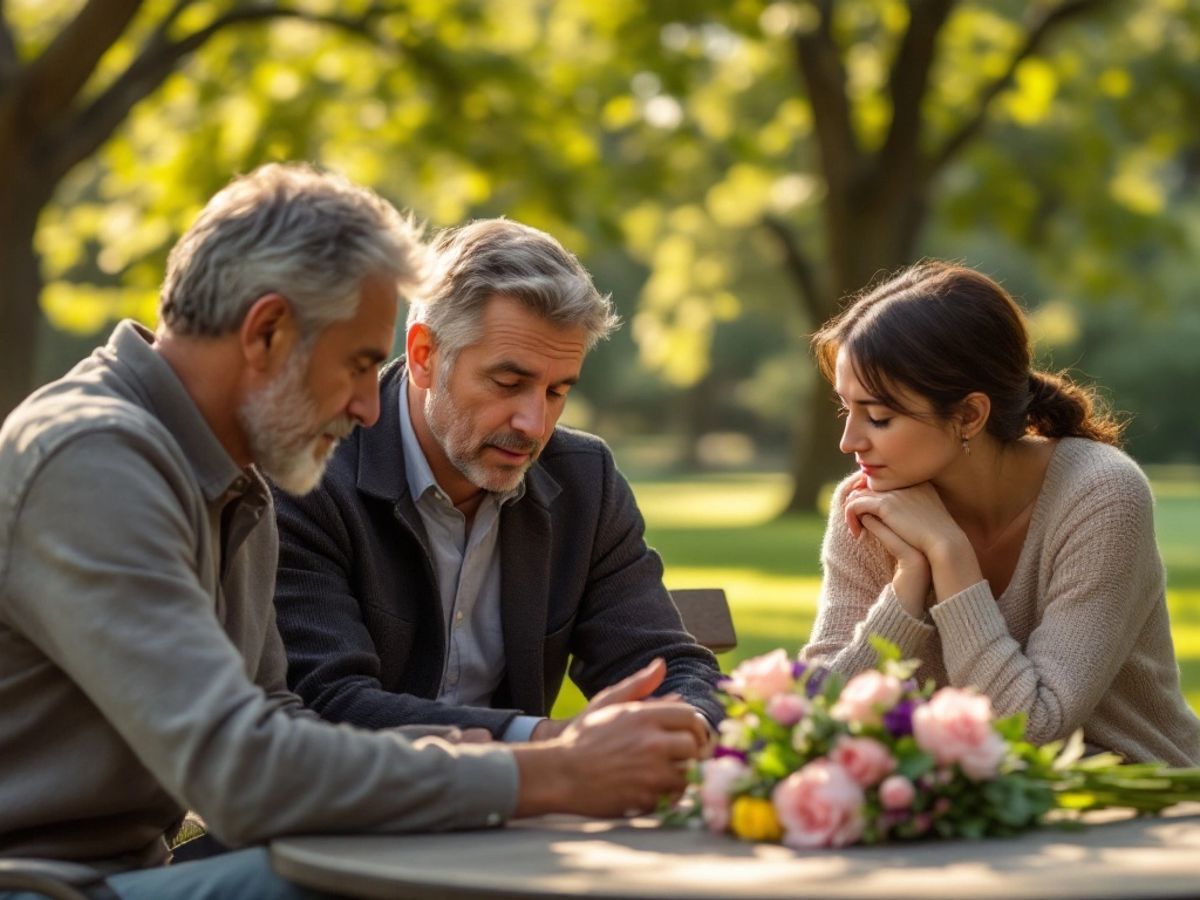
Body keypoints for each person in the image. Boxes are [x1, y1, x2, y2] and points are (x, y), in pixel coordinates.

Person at [0, 164, 707, 899]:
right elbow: (240, 773)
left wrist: (476, 754)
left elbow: (277, 715)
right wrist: (546, 769)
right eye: (363, 364)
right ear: (267, 331)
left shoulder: (232, 470)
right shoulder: (94, 458)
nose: (373, 406)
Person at [272, 218, 722, 742]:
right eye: (509, 383)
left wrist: (688, 725)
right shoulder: (310, 472)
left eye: (557, 392)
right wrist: (550, 745)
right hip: (347, 814)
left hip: (530, 816)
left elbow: (668, 664)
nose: (535, 424)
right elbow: (327, 703)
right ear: (424, 356)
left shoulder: (584, 481)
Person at [801, 260, 1200, 767]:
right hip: (961, 815)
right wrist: (907, 584)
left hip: (1140, 810)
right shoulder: (868, 506)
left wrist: (949, 555)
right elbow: (816, 715)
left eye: (879, 417)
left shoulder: (1101, 495)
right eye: (846, 409)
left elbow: (1030, 729)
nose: (849, 441)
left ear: (969, 414)